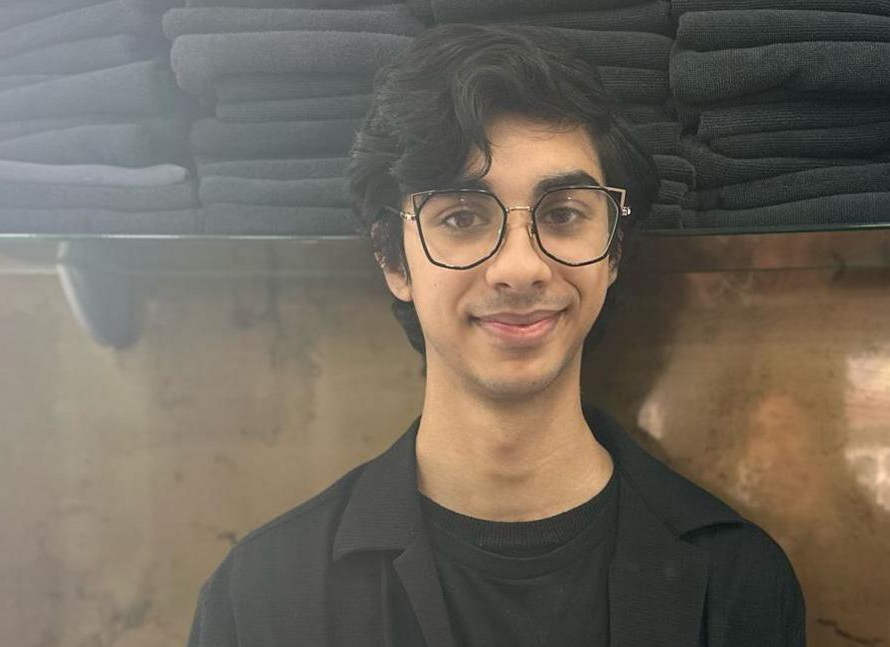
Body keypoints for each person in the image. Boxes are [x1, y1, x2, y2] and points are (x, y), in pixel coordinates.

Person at [187, 23, 805, 647]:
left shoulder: (739, 585)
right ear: (393, 259)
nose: (519, 268)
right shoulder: (262, 599)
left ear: (613, 254)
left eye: (563, 214)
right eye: (461, 217)